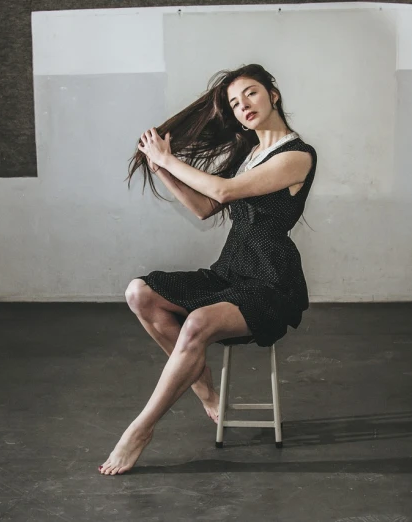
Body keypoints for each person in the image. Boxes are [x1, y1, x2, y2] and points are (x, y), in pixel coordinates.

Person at [99, 64, 317, 475]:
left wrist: (168, 157)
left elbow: (222, 190)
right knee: (138, 292)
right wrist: (161, 167)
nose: (243, 106)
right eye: (235, 103)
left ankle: (140, 430)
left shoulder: (298, 156)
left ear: (273, 94)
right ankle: (205, 392)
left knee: (197, 323)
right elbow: (204, 208)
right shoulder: (251, 154)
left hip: (272, 280)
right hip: (230, 270)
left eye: (250, 94)